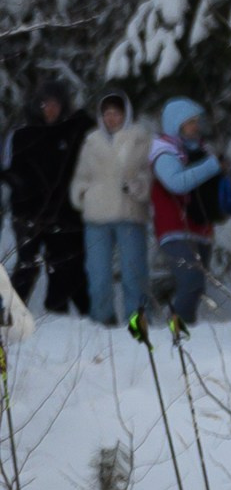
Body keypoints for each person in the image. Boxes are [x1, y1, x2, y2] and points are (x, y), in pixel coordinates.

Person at [5, 78, 90, 314]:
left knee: (61, 264)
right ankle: (9, 316)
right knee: (26, 265)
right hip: (27, 214)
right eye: (45, 104)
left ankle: (57, 315)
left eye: (55, 104)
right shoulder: (22, 135)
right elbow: (8, 170)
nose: (50, 109)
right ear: (38, 105)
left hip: (61, 214)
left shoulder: (69, 133)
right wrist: (24, 188)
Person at [70, 89, 151, 327]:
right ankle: (102, 319)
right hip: (96, 217)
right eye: (107, 113)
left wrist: (138, 187)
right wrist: (82, 195)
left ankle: (136, 321)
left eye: (116, 113)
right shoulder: (92, 140)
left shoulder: (139, 138)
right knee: (98, 276)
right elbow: (81, 176)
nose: (111, 118)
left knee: (133, 274)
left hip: (130, 213)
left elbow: (149, 175)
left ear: (125, 114)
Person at [148, 97, 224, 324]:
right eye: (190, 122)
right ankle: (178, 331)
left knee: (196, 285)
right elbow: (176, 183)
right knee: (191, 281)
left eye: (197, 121)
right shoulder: (164, 152)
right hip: (174, 229)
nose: (195, 126)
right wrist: (212, 166)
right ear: (175, 124)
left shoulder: (199, 150)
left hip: (200, 228)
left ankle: (184, 331)